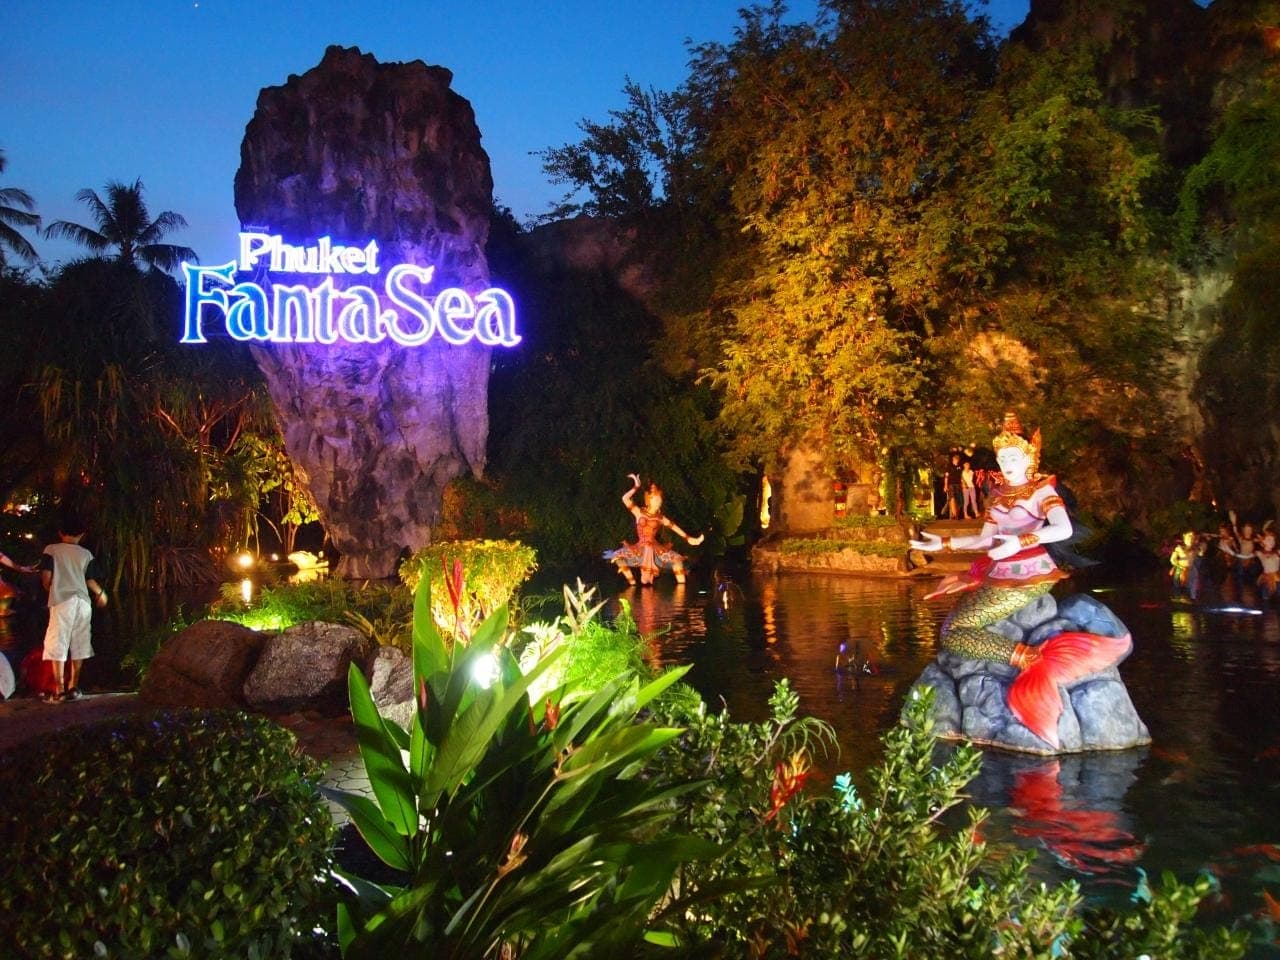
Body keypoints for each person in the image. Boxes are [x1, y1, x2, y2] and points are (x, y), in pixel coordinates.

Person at [909, 412, 1131, 749]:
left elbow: (1064, 528)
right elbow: (985, 539)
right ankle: (1024, 656)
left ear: (1030, 457)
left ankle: (1030, 658)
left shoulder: (1042, 490)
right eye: (1002, 457)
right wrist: (943, 544)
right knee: (953, 627)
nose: (1006, 462)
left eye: (1013, 456)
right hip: (997, 573)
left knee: (954, 633)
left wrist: (1021, 541)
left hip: (1030, 576)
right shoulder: (998, 494)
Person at [39, 513, 108, 702]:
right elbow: (90, 580)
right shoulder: (86, 554)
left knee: (58, 643)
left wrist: (51, 589)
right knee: (80, 643)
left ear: (61, 532)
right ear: (82, 534)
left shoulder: (51, 550)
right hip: (83, 603)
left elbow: (46, 579)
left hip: (62, 601)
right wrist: (101, 594)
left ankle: (59, 689)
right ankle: (74, 687)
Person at [604, 473, 704, 586]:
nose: (658, 502)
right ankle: (632, 583)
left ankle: (681, 593)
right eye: (655, 499)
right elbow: (625, 498)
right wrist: (636, 486)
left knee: (677, 561)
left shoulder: (660, 518)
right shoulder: (639, 512)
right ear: (648, 500)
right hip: (639, 548)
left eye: (659, 500)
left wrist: (689, 538)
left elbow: (674, 527)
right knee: (617, 556)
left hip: (656, 550)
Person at [1168, 531, 1203, 601]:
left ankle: (1192, 598)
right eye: (1188, 537)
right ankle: (1178, 598)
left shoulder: (1195, 549)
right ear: (1184, 538)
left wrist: (1201, 547)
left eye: (1192, 537)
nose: (1190, 539)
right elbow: (1172, 559)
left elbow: (1201, 554)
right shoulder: (1179, 548)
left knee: (1192, 585)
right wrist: (1178, 565)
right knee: (1178, 585)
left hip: (1191, 569)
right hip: (1181, 569)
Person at [943, 452, 963, 519]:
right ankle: (954, 515)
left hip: (958, 484)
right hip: (951, 484)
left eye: (957, 459)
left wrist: (962, 484)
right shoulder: (949, 466)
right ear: (953, 459)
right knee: (952, 498)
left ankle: (956, 514)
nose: (956, 460)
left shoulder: (959, 467)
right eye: (955, 459)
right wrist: (945, 486)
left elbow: (961, 476)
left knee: (959, 500)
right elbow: (946, 476)